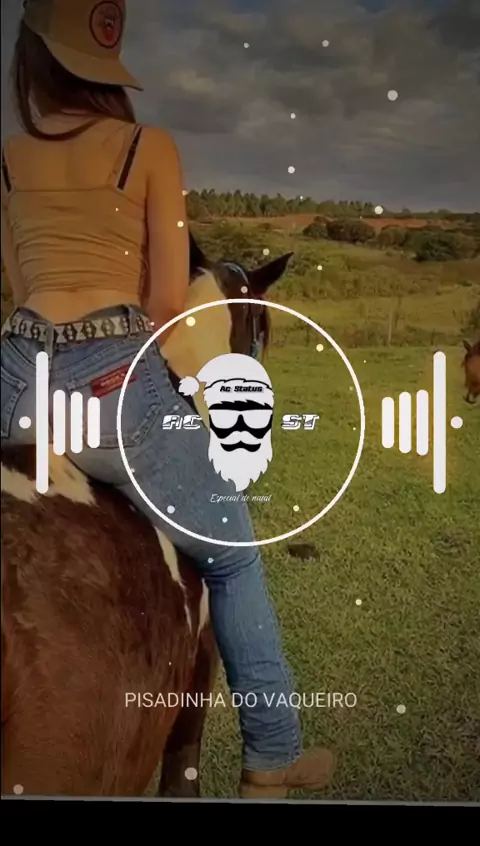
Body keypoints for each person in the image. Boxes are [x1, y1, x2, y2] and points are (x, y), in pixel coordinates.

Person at [0, 0, 334, 798]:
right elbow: (164, 305)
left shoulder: (8, 159)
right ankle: (272, 750)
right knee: (233, 555)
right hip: (113, 378)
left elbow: (19, 286)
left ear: (32, 61)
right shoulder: (149, 149)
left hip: (13, 376)